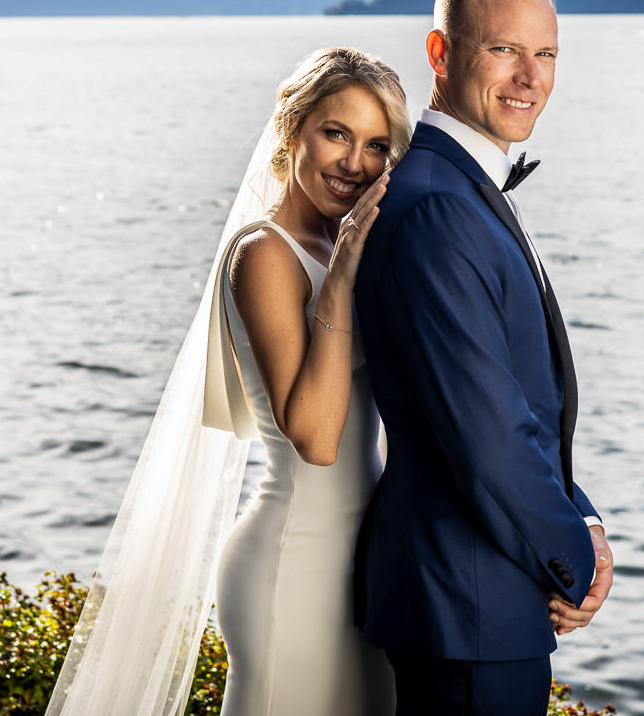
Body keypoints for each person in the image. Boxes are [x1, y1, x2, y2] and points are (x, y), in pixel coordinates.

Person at [45, 47, 410, 716]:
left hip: (365, 574)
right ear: (294, 128)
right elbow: (317, 439)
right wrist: (342, 283)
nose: (353, 163)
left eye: (376, 145)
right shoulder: (265, 253)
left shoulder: (346, 247)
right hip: (293, 569)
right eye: (336, 133)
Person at [353, 0, 615, 715]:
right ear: (441, 54)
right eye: (504, 49)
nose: (529, 77)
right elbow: (487, 433)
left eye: (546, 55)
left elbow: (523, 411)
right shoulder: (436, 205)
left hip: (485, 604)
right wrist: (577, 562)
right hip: (465, 607)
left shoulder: (463, 187)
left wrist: (586, 521)